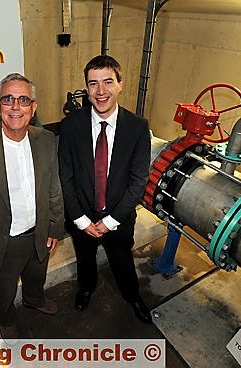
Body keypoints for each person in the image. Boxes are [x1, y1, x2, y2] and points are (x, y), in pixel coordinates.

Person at [0, 73, 65, 340]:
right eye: (8, 99)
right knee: (4, 286)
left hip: (39, 232)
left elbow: (53, 185)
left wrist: (55, 226)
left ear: (33, 107)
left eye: (23, 100)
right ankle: (5, 317)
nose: (15, 107)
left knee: (37, 273)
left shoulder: (46, 140)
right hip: (2, 241)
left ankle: (33, 299)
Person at [58, 55, 152, 324]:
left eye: (108, 82)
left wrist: (109, 222)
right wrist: (81, 219)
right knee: (85, 257)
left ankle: (132, 295)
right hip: (82, 217)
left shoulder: (137, 128)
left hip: (119, 218)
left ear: (120, 84)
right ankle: (86, 288)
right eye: (93, 84)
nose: (101, 92)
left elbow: (138, 181)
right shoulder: (71, 126)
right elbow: (65, 176)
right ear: (86, 89)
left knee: (122, 259)